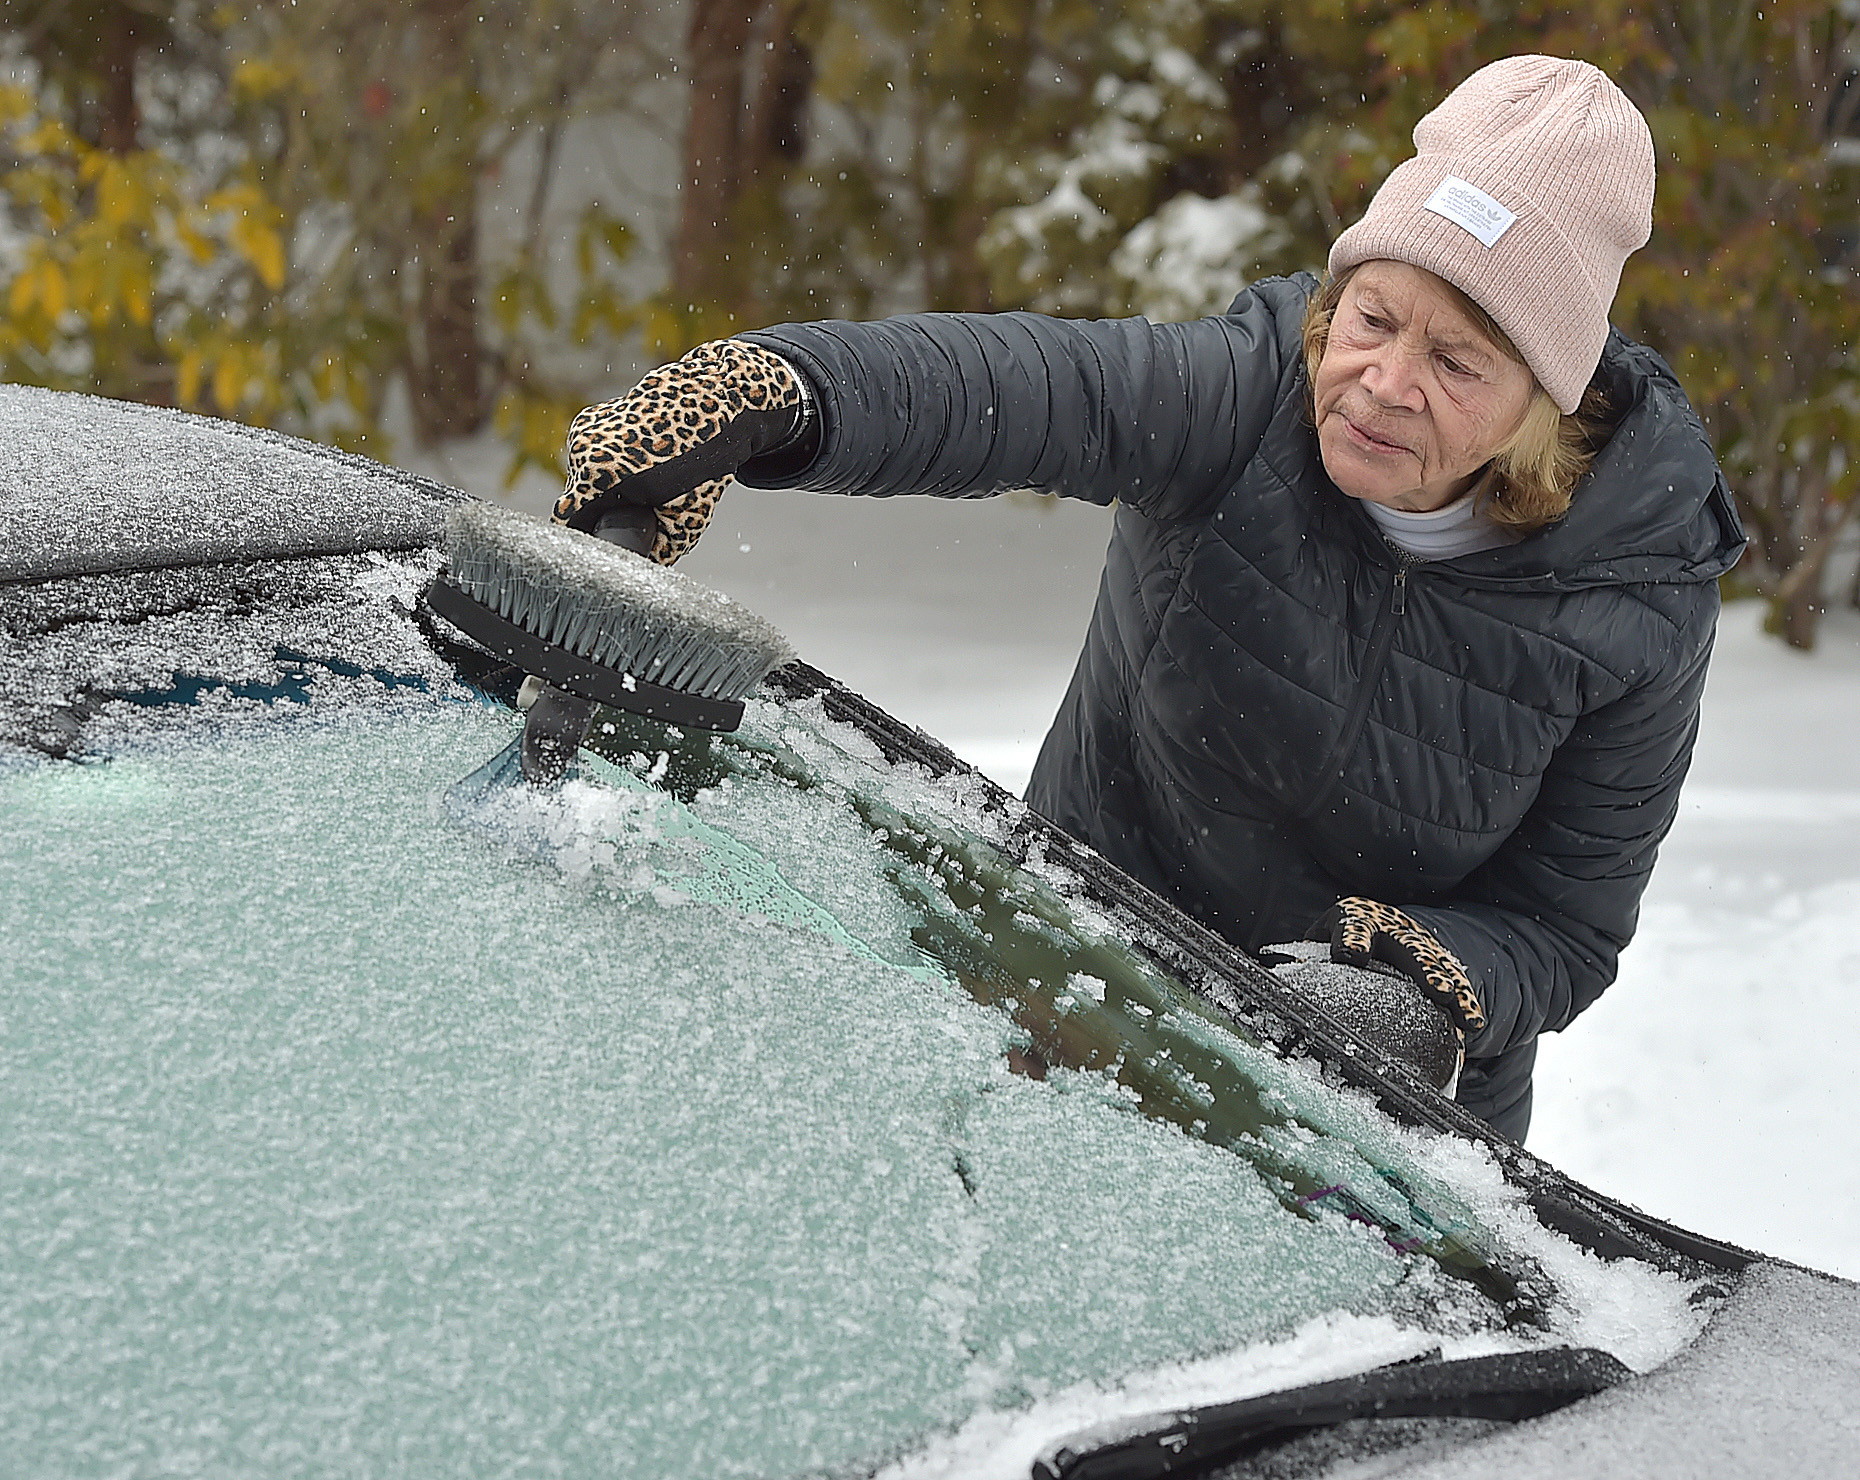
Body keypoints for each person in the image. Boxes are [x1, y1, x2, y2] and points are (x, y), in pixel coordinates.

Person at [550, 55, 1745, 1143]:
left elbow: (1566, 927)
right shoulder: (1242, 402)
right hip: (1071, 994)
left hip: (1370, 1130)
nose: (1382, 383)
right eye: (1372, 322)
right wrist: (776, 394)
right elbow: (1019, 388)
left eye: (1456, 362)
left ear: (1544, 400)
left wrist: (1422, 983)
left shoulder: (1633, 590)